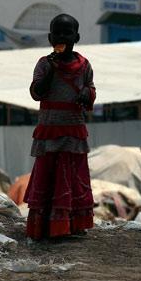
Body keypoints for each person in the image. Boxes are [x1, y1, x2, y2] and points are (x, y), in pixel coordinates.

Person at [24, 14, 96, 240]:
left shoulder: (84, 65)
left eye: (67, 33)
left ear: (77, 37)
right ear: (50, 38)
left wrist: (86, 93)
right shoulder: (44, 64)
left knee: (73, 177)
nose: (62, 37)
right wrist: (52, 71)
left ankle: (72, 224)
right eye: (57, 33)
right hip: (50, 129)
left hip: (73, 130)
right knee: (47, 176)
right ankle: (47, 226)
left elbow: (91, 88)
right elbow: (36, 92)